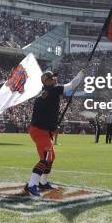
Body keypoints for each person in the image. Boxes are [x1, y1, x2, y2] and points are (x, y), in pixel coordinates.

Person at [24, 69, 85, 197]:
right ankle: (31, 185)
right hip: (40, 130)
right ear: (47, 81)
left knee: (51, 157)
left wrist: (52, 127)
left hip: (42, 129)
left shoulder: (46, 92)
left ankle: (43, 182)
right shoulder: (53, 90)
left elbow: (45, 113)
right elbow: (72, 85)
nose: (55, 79)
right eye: (52, 78)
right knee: (46, 158)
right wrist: (80, 75)